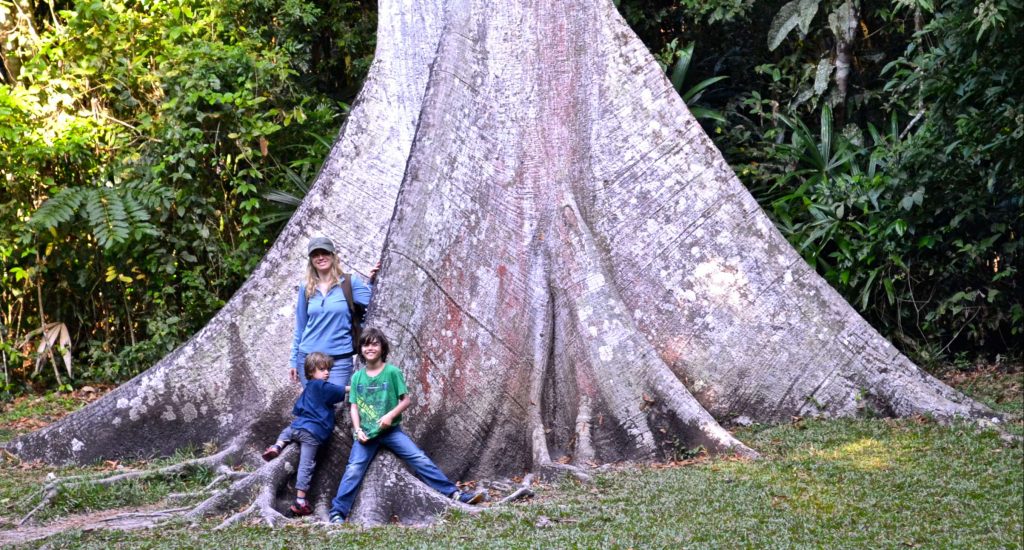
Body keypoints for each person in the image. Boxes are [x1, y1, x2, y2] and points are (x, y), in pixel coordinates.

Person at [328, 328, 484, 523]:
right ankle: (337, 512)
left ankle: (453, 493)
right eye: (366, 344)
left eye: (374, 344)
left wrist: (389, 416)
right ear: (360, 349)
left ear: (382, 348)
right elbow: (353, 407)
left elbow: (406, 400)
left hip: (391, 431)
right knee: (353, 469)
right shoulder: (357, 377)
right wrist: (357, 429)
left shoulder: (392, 372)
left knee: (419, 458)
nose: (370, 348)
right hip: (366, 435)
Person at [262, 352, 348, 516]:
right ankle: (300, 500)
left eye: (327, 369)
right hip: (312, 433)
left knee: (286, 432)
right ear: (311, 371)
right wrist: (356, 386)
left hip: (298, 426)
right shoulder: (322, 386)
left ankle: (277, 446)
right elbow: (340, 390)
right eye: (322, 369)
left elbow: (299, 407)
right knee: (306, 464)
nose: (326, 373)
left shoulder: (309, 387)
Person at [290, 236, 378, 389]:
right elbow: (301, 325)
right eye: (315, 254)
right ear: (311, 260)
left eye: (325, 253)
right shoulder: (306, 287)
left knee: (334, 404)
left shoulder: (350, 282)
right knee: (314, 407)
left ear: (333, 255)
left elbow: (373, 304)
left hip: (339, 359)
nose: (321, 257)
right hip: (308, 358)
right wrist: (293, 360)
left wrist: (372, 282)